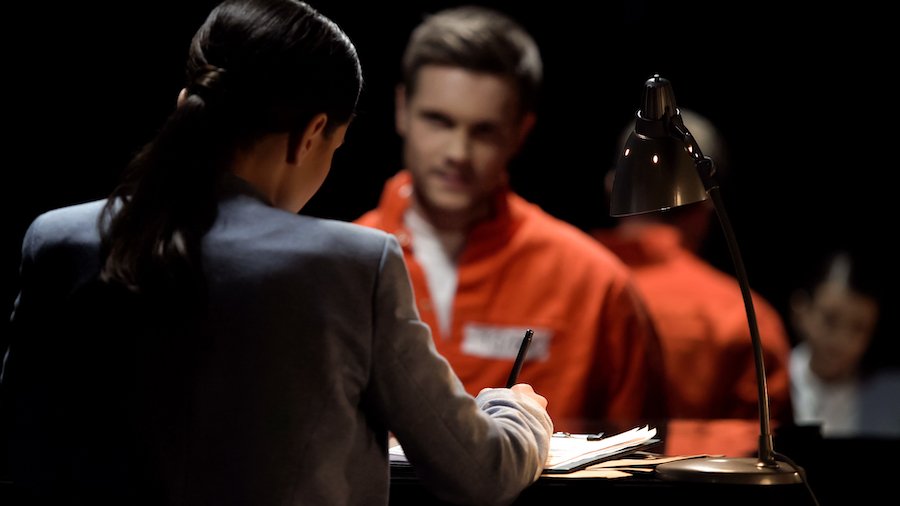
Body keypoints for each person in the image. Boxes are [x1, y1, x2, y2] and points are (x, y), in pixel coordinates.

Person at [0, 1, 553, 505]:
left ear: (185, 105)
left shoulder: (55, 239)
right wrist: (517, 413)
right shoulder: (354, 265)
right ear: (312, 135)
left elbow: (20, 451)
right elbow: (480, 472)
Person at [355, 5, 667, 432]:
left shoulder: (593, 284)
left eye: (483, 131)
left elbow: (640, 459)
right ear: (401, 108)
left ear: (520, 131)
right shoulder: (338, 265)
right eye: (439, 121)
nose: (457, 153)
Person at [592, 109, 794, 430]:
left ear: (612, 187)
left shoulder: (553, 286)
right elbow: (762, 458)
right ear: (709, 200)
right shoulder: (747, 318)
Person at [789, 248, 900, 438]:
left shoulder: (893, 397)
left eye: (858, 328)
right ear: (801, 311)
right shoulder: (770, 380)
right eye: (830, 319)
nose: (841, 341)